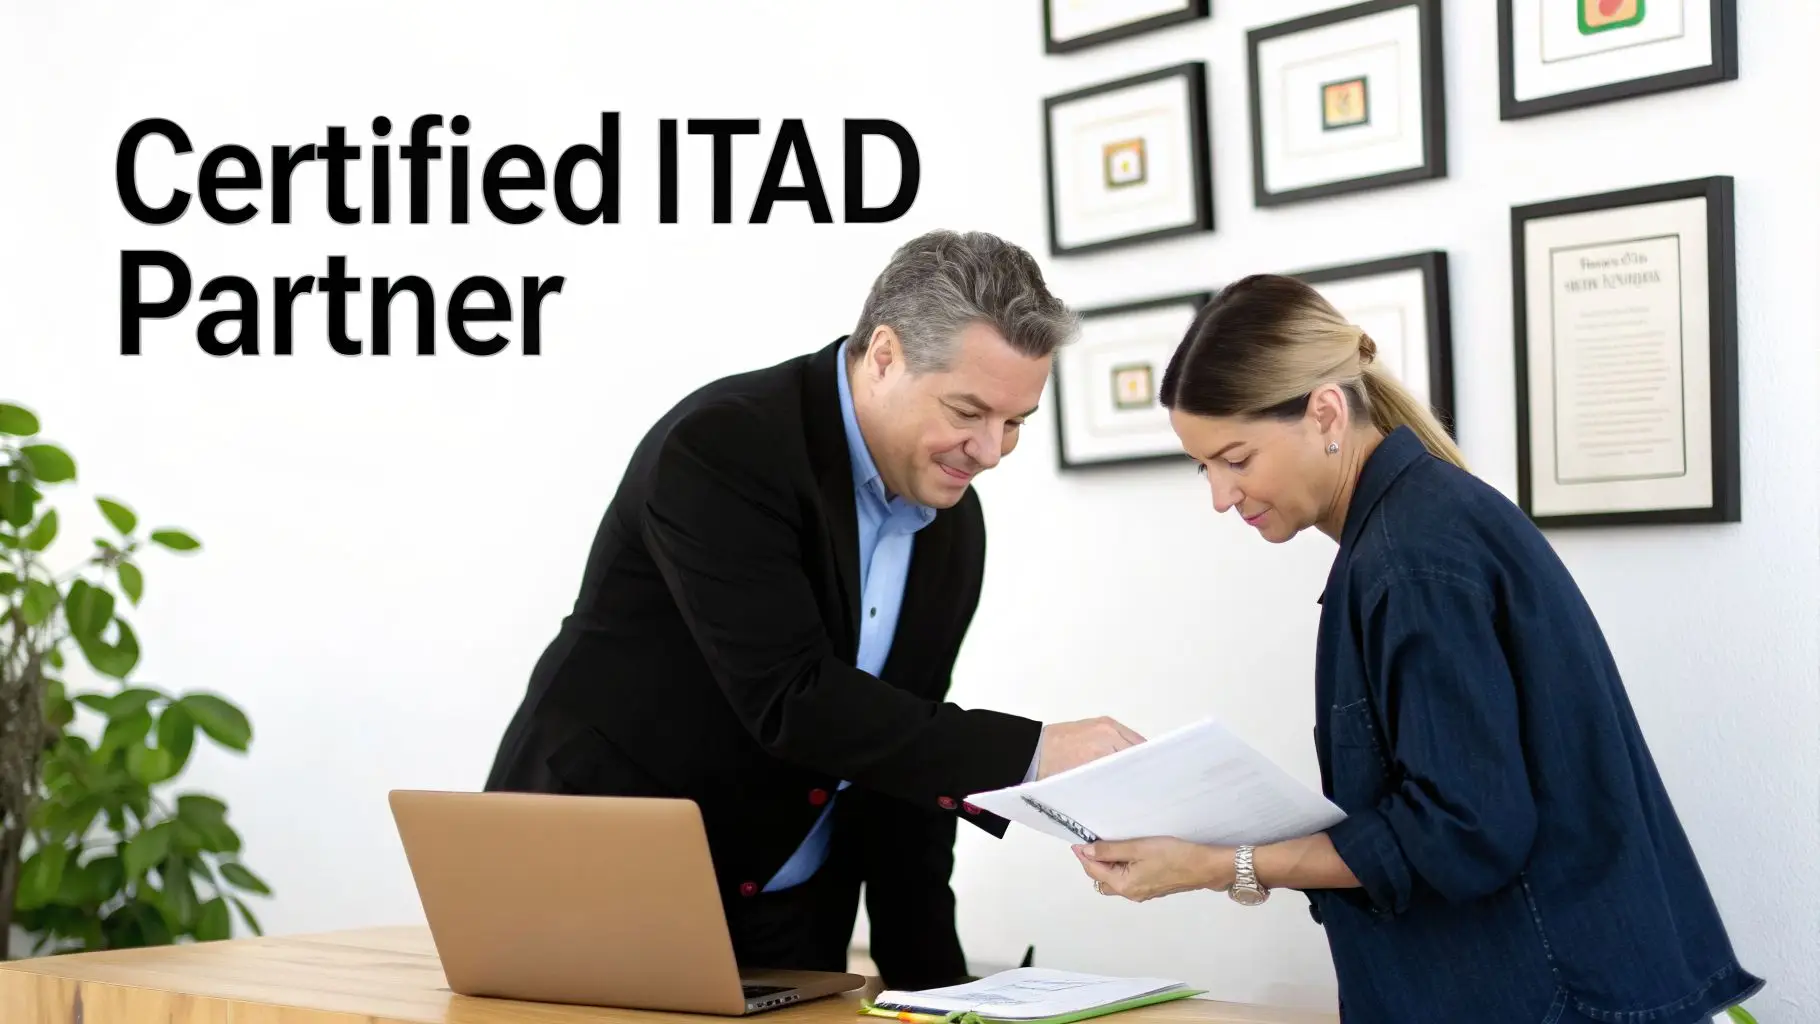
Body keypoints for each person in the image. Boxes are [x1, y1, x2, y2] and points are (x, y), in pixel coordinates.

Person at [1070, 274, 1764, 1023]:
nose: (1220, 494)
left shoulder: (1411, 561)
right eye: (1203, 466)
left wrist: (1217, 864)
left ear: (1325, 412)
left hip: (1552, 998)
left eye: (1236, 458)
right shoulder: (1421, 527)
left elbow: (1462, 834)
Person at [485, 229, 1144, 991]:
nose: (992, 450)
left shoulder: (952, 518)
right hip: (595, 879)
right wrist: (1033, 752)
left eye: (1017, 422)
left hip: (790, 905)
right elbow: (793, 701)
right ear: (886, 355)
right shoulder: (725, 447)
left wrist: (939, 992)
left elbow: (903, 756)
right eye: (970, 410)